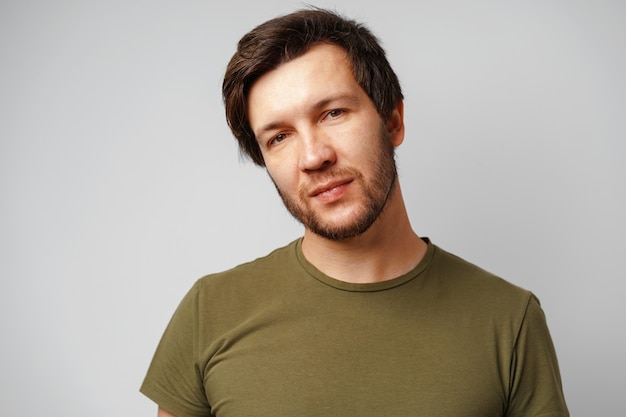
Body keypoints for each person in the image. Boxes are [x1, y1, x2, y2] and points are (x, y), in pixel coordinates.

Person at [141, 8, 569, 417]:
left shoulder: (510, 320)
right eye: (279, 137)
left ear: (393, 121)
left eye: (333, 113)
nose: (313, 156)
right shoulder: (210, 310)